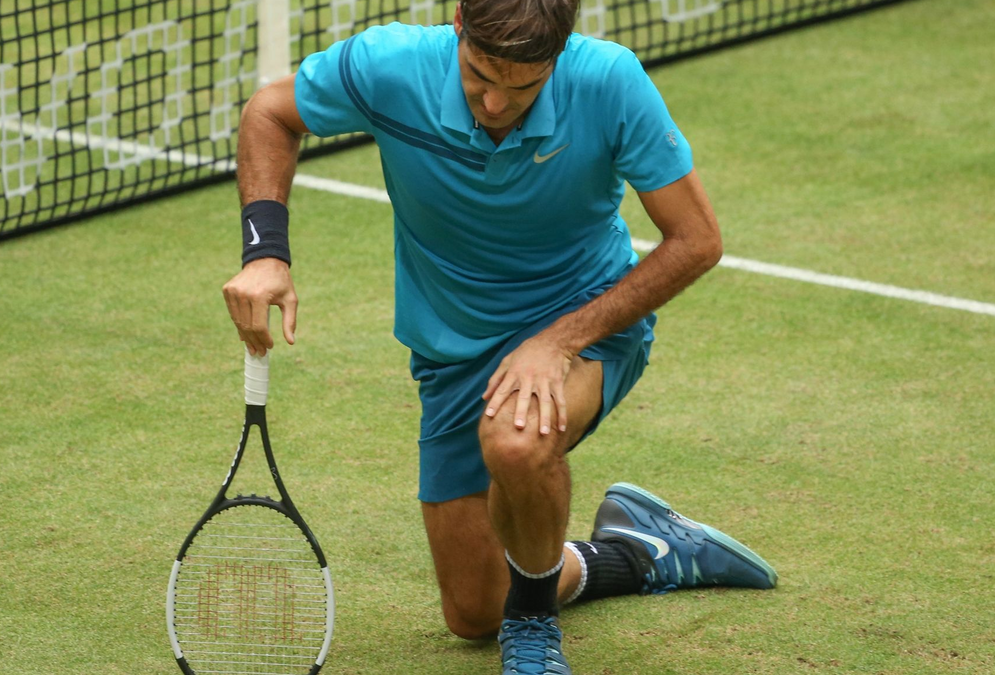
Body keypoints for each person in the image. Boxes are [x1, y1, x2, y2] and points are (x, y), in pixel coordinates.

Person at [222, 1, 776, 672]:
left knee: (517, 438)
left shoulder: (609, 81)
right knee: (474, 611)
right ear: (459, 23)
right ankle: (639, 549)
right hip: (452, 350)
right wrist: (265, 252)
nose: (494, 103)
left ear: (561, 53)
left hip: (585, 318)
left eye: (523, 88)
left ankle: (536, 626)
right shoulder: (390, 66)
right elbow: (270, 113)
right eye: (480, 75)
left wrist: (561, 339)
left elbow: (697, 239)